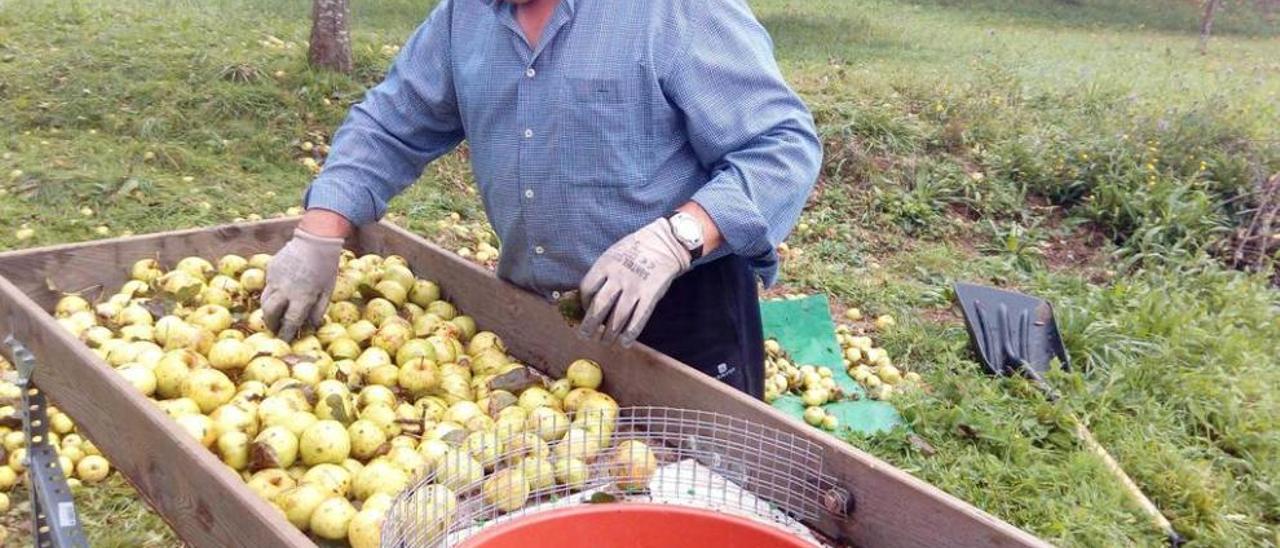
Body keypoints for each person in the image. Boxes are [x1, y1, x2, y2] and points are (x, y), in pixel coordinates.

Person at [261, 0, 821, 399]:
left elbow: (781, 148)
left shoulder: (673, 11)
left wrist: (675, 238)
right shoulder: (466, 17)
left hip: (681, 317)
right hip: (541, 325)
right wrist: (320, 231)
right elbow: (389, 125)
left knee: (695, 506)